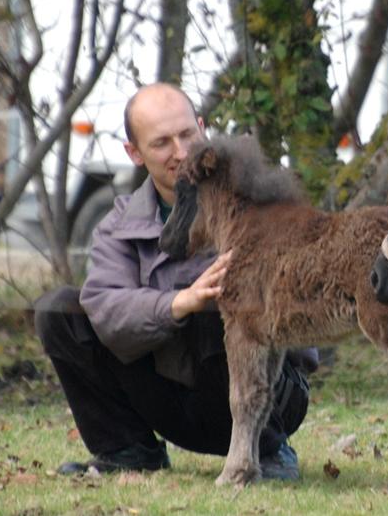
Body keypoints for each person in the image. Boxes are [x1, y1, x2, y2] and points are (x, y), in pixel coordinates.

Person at [34, 83, 317, 478]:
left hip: (272, 392)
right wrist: (178, 303)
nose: (182, 152)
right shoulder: (118, 226)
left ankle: (267, 453)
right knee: (59, 310)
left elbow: (305, 340)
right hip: (169, 398)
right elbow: (104, 309)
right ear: (134, 153)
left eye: (187, 135)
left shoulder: (261, 199)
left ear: (203, 129)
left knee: (223, 305)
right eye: (162, 142)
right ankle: (129, 451)